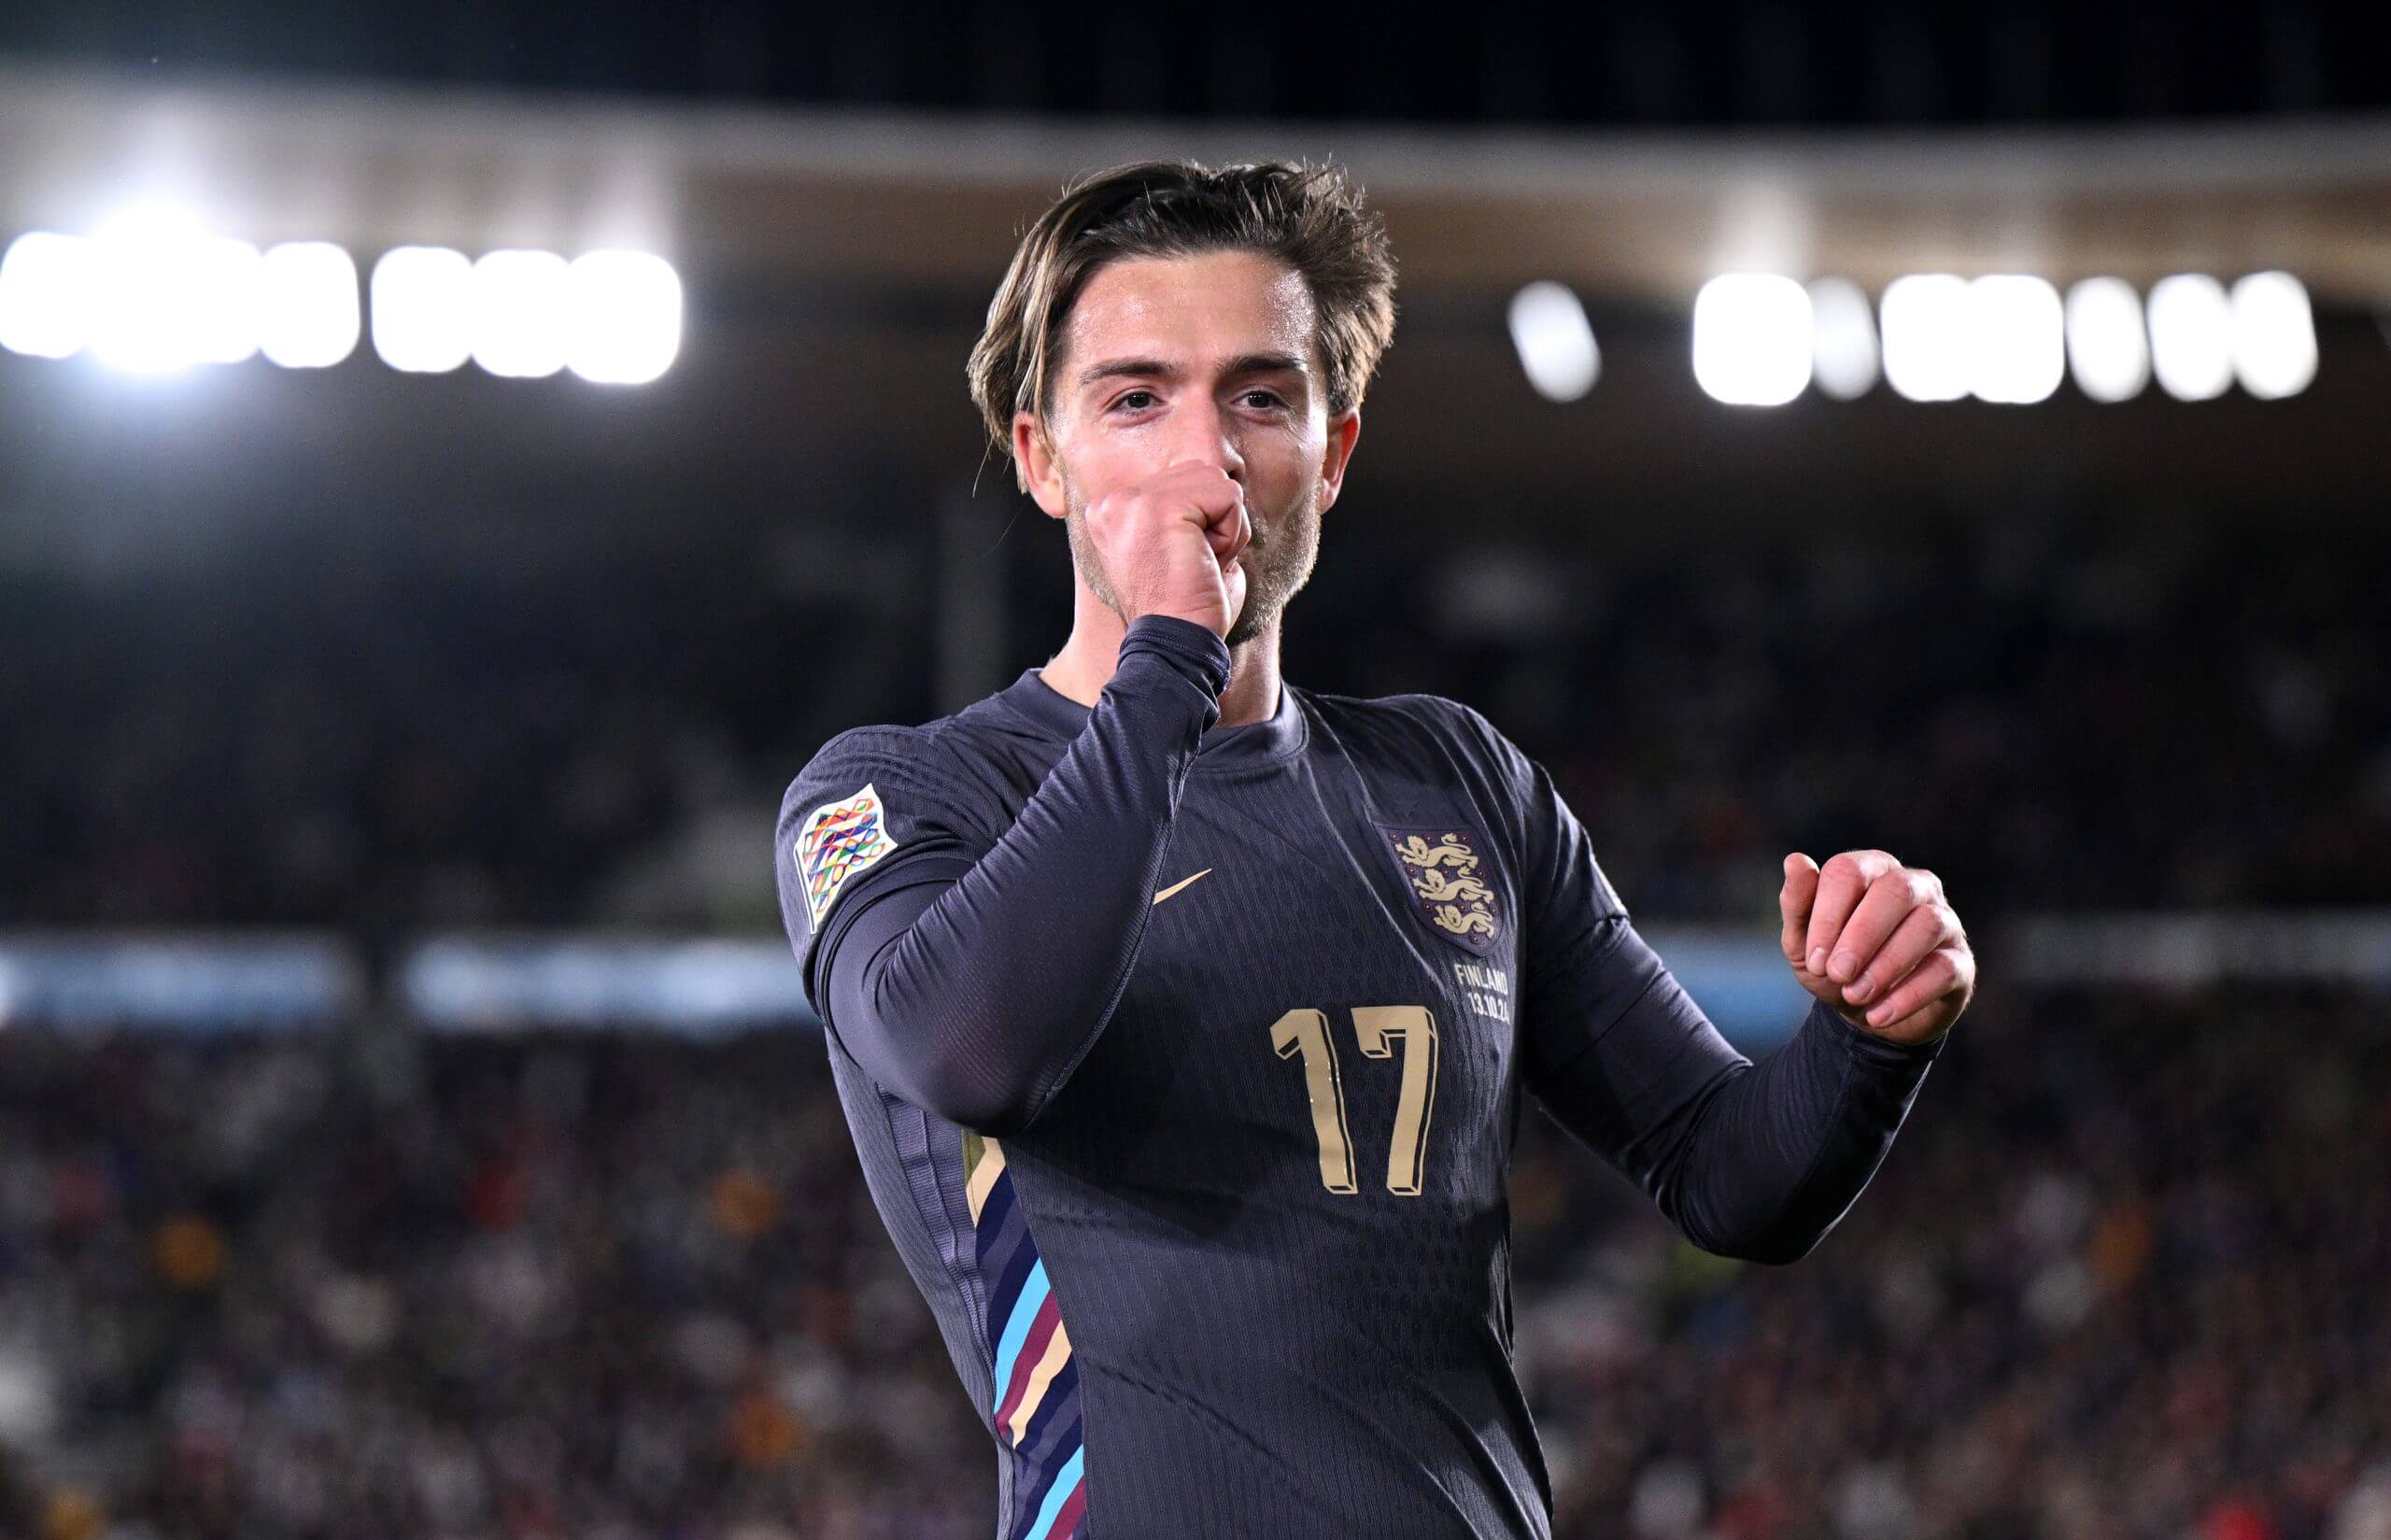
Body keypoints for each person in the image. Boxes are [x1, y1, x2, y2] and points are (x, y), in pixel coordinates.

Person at [773, 159, 1975, 1540]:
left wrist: (1873, 1030)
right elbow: (973, 1049)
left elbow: (1728, 1171)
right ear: (1043, 458)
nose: (1205, 455)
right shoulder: (902, 794)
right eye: (1135, 397)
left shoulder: (1458, 780)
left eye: (1262, 397)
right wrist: (1169, 658)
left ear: (1332, 453)